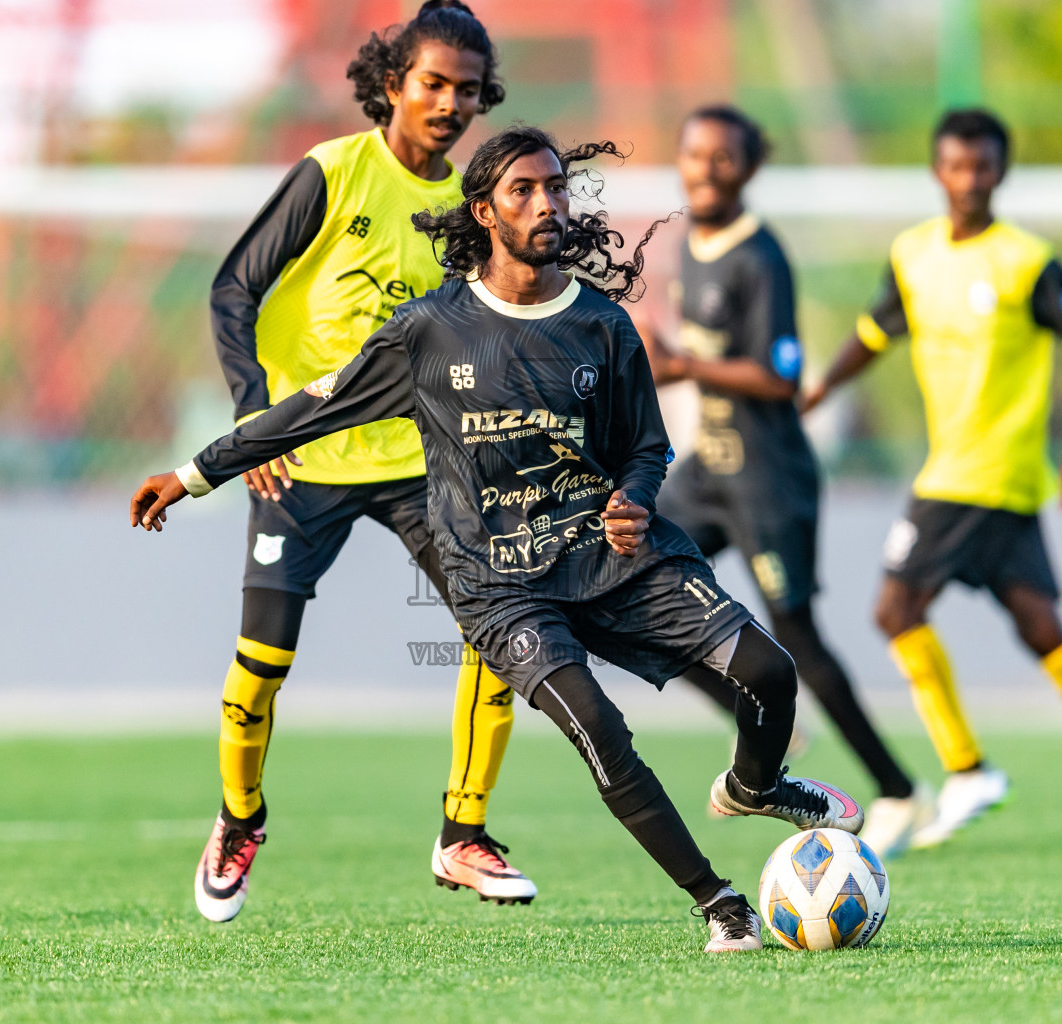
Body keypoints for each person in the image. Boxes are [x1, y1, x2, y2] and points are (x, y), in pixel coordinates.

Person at [133, 125, 866, 953]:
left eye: (556, 187)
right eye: (523, 190)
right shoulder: (427, 332)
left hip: (613, 554)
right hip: (502, 584)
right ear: (483, 212)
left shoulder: (601, 323)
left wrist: (633, 496)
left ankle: (755, 784)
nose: (547, 202)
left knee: (771, 670)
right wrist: (195, 474)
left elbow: (647, 446)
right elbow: (308, 410)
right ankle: (718, 901)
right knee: (599, 729)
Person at [194, 1, 535, 923]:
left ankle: (463, 832)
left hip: (421, 461)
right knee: (260, 664)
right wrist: (254, 412)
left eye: (468, 91)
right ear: (393, 84)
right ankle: (238, 817)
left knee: (500, 627)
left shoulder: (470, 202)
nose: (450, 103)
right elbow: (234, 288)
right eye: (433, 84)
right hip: (302, 457)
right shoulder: (332, 175)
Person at [802, 109, 1062, 856]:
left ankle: (966, 768)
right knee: (1039, 624)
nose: (970, 180)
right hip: (977, 476)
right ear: (937, 171)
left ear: (1000, 173)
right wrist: (820, 387)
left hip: (977, 471)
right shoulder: (912, 254)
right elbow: (877, 332)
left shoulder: (1026, 261)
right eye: (956, 166)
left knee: (894, 606)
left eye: (983, 167)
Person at [642, 105, 929, 857]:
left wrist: (681, 364)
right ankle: (771, 718)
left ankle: (898, 789)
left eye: (724, 157)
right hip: (709, 468)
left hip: (769, 479)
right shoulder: (693, 245)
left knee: (796, 633)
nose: (706, 168)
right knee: (631, 577)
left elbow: (780, 374)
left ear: (750, 169)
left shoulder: (759, 255)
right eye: (695, 153)